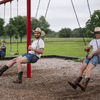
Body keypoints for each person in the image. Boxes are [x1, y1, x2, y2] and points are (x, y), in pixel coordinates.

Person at [68, 27, 100, 91]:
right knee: (82, 67)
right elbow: (89, 47)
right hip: (91, 55)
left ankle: (84, 85)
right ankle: (75, 83)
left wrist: (92, 54)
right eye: (95, 33)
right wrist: (85, 48)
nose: (97, 34)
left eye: (98, 33)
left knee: (88, 68)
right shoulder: (93, 40)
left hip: (97, 56)